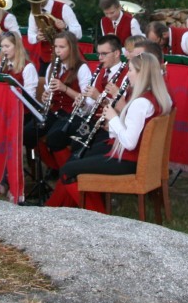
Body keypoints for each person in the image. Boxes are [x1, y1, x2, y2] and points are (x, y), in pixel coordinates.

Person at [45, 52, 172, 212]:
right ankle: (58, 210)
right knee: (76, 161)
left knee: (67, 171)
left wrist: (113, 118)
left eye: (131, 70)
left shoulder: (140, 103)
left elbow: (130, 143)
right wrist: (112, 124)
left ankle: (97, 215)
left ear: (142, 74)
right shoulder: (157, 97)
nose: (128, 74)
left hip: (128, 160)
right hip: (134, 158)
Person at [39, 30, 94, 167]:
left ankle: (67, 172)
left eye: (62, 47)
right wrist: (46, 96)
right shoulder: (52, 66)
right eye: (56, 47)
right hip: (57, 110)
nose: (57, 51)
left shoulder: (82, 68)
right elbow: (48, 90)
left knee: (54, 137)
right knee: (31, 132)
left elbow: (88, 102)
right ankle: (53, 167)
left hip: (74, 113)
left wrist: (65, 88)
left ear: (72, 48)